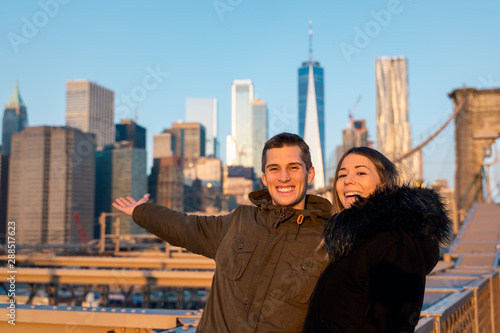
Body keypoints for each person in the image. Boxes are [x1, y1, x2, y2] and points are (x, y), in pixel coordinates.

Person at [113, 132, 333, 332]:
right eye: (274, 168)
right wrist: (141, 211)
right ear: (265, 178)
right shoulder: (240, 221)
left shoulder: (329, 240)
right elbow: (185, 226)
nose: (283, 177)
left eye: (293, 167)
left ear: (310, 174)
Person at [302, 147, 452, 333]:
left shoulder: (395, 243)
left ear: (383, 184)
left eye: (361, 172)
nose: (348, 180)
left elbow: (390, 325)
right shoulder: (351, 242)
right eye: (342, 175)